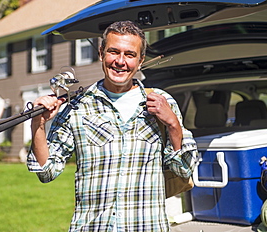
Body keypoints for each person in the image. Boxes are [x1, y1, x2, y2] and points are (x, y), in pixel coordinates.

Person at [27, 20, 197, 231]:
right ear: (101, 53)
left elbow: (184, 168)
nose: (120, 61)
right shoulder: (78, 106)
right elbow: (47, 171)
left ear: (141, 60)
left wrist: (172, 124)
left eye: (129, 54)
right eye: (113, 52)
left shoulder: (162, 101)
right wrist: (39, 124)